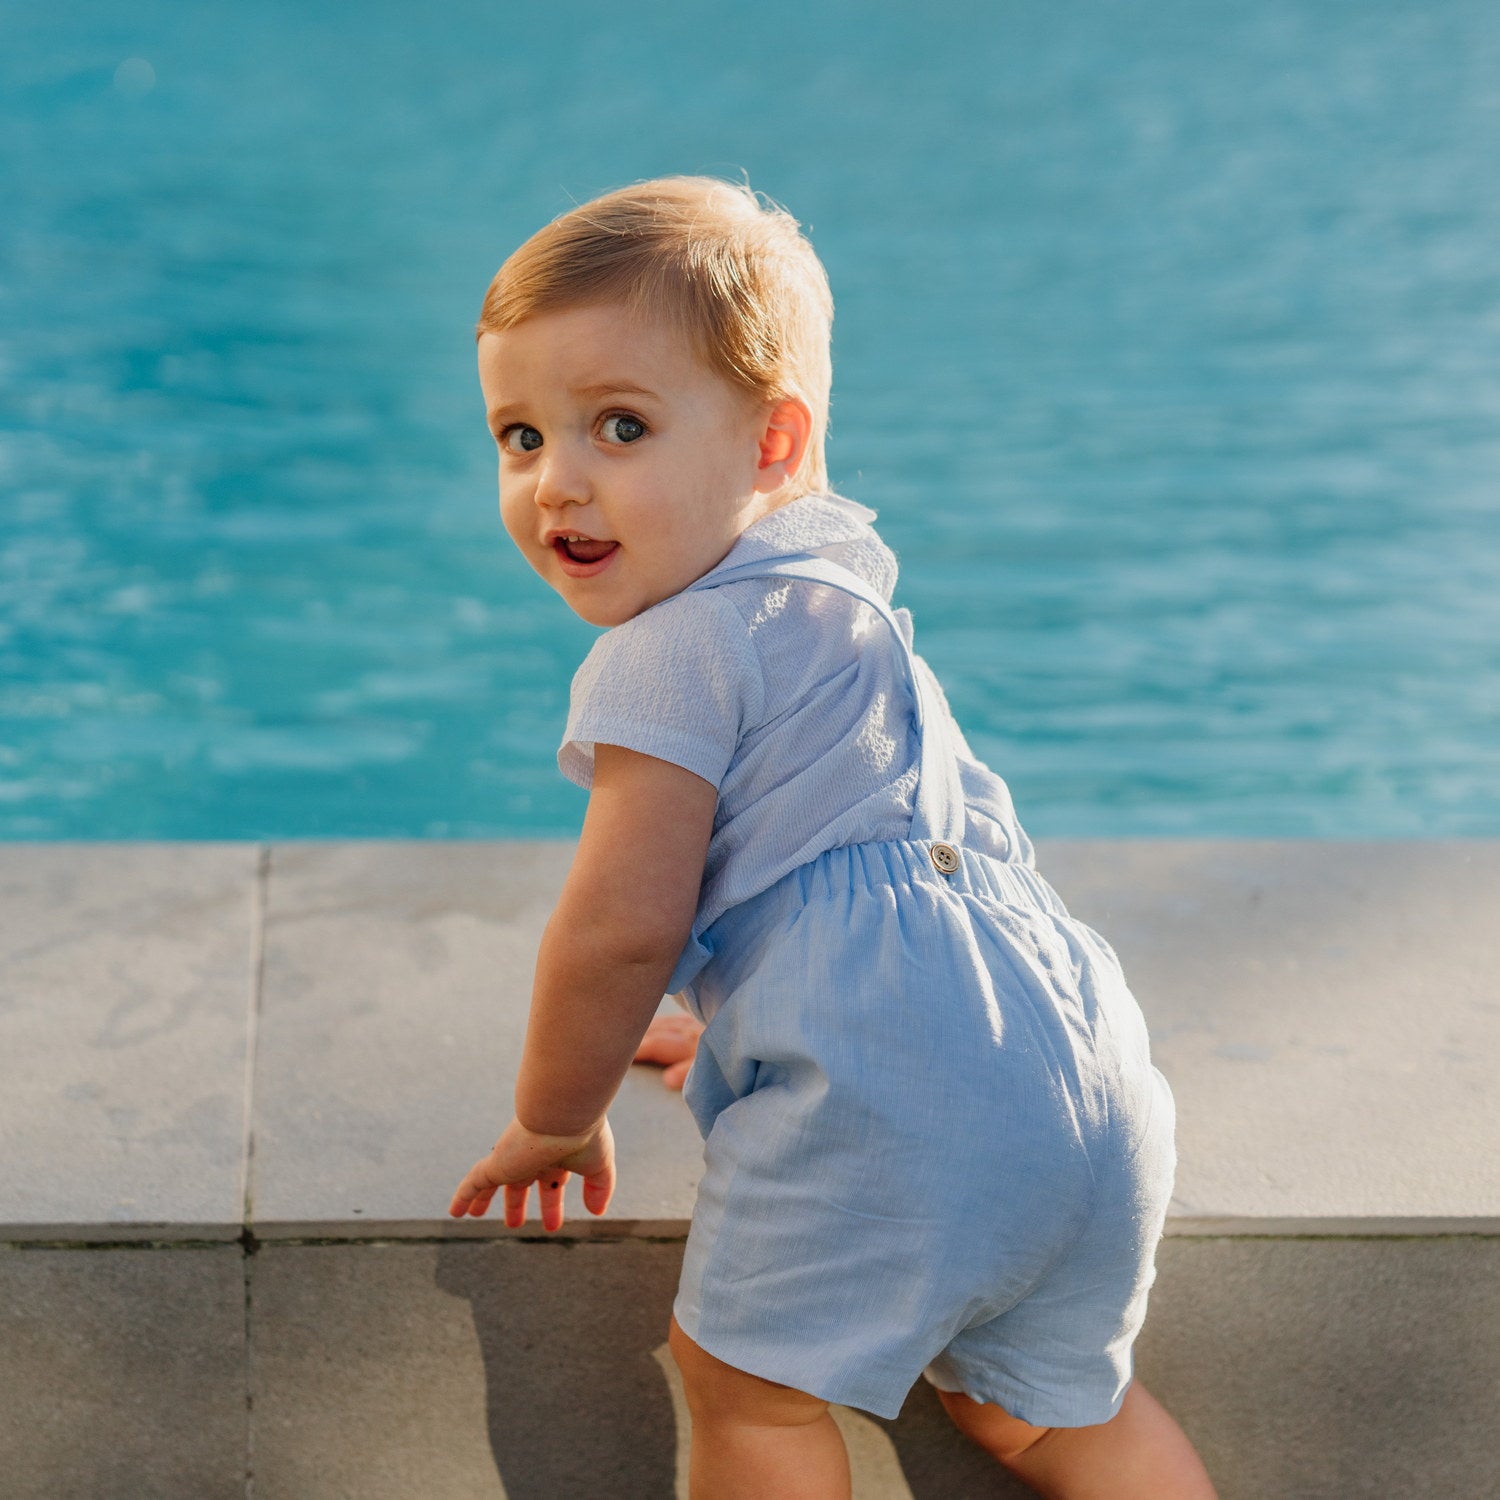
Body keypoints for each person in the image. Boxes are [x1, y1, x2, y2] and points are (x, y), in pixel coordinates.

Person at [449, 176, 1216, 1500]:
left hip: (901, 1107)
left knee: (742, 1389)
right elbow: (879, 864)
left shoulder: (670, 649)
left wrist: (552, 1118)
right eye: (520, 437)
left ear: (768, 442)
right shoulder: (847, 605)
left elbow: (622, 926)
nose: (556, 482)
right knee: (1042, 1414)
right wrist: (751, 1017)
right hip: (1085, 1076)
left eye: (619, 426)